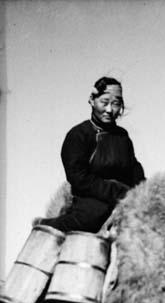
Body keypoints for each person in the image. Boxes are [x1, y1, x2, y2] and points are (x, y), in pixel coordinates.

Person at [41, 76, 145, 233]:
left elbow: (134, 169)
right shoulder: (79, 135)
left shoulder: (122, 136)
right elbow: (78, 177)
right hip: (90, 201)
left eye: (116, 104)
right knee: (90, 219)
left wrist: (142, 192)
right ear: (92, 100)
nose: (110, 110)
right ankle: (46, 227)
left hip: (125, 200)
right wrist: (116, 191)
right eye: (104, 102)